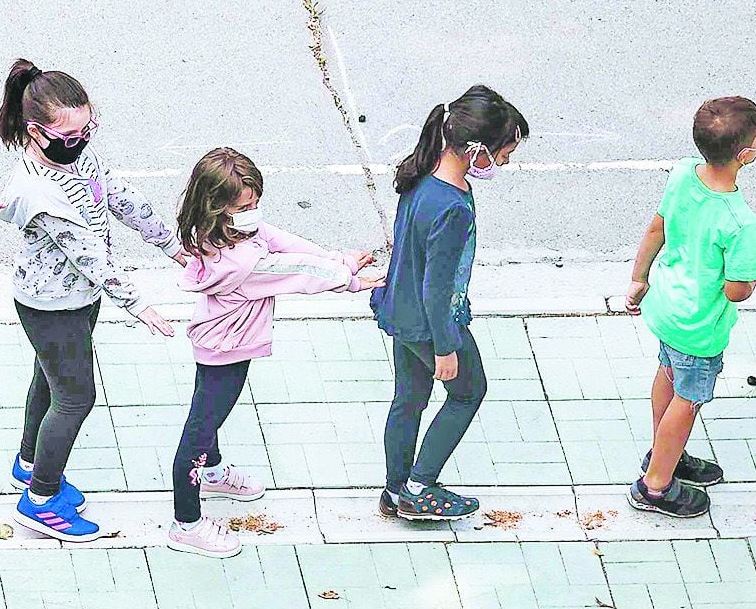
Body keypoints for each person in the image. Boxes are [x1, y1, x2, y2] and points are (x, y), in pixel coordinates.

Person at [0, 59, 181, 542]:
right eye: (70, 134)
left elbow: (117, 196)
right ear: (36, 132)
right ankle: (40, 499)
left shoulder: (79, 158)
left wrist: (170, 243)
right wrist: (141, 306)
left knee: (49, 380)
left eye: (87, 128)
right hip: (51, 305)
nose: (81, 140)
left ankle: (30, 463)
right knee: (76, 398)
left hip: (77, 299)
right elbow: (88, 256)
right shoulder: (36, 191)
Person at [167, 147, 377, 558]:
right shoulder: (240, 264)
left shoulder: (230, 232)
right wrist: (349, 276)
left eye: (255, 202)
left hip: (224, 341)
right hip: (226, 350)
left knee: (209, 416)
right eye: (245, 206)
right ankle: (186, 523)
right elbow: (294, 273)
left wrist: (337, 259)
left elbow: (283, 242)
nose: (254, 211)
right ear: (217, 207)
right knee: (199, 429)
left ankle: (211, 471)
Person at [370, 85, 528, 522]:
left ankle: (394, 488)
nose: (504, 163)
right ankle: (420, 487)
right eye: (503, 153)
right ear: (477, 149)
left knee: (408, 399)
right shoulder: (453, 207)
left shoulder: (420, 177)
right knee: (467, 393)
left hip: (397, 310)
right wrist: (445, 345)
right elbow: (437, 288)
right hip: (430, 322)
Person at [623, 96, 756, 520]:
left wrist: (639, 278)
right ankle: (656, 486)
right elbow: (737, 291)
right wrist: (752, 279)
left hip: (666, 306)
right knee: (688, 400)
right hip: (699, 326)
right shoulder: (740, 221)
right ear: (745, 155)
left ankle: (664, 453)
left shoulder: (684, 173)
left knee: (666, 374)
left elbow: (657, 226)